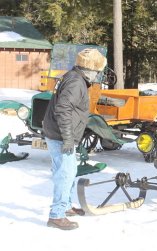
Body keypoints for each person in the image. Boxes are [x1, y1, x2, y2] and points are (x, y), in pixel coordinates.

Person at [43, 48, 107, 230]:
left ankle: (66, 205)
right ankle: (56, 215)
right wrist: (68, 138)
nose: (98, 76)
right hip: (61, 135)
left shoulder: (73, 77)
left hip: (57, 132)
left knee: (69, 171)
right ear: (90, 70)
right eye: (97, 72)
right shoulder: (76, 82)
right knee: (65, 174)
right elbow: (63, 108)